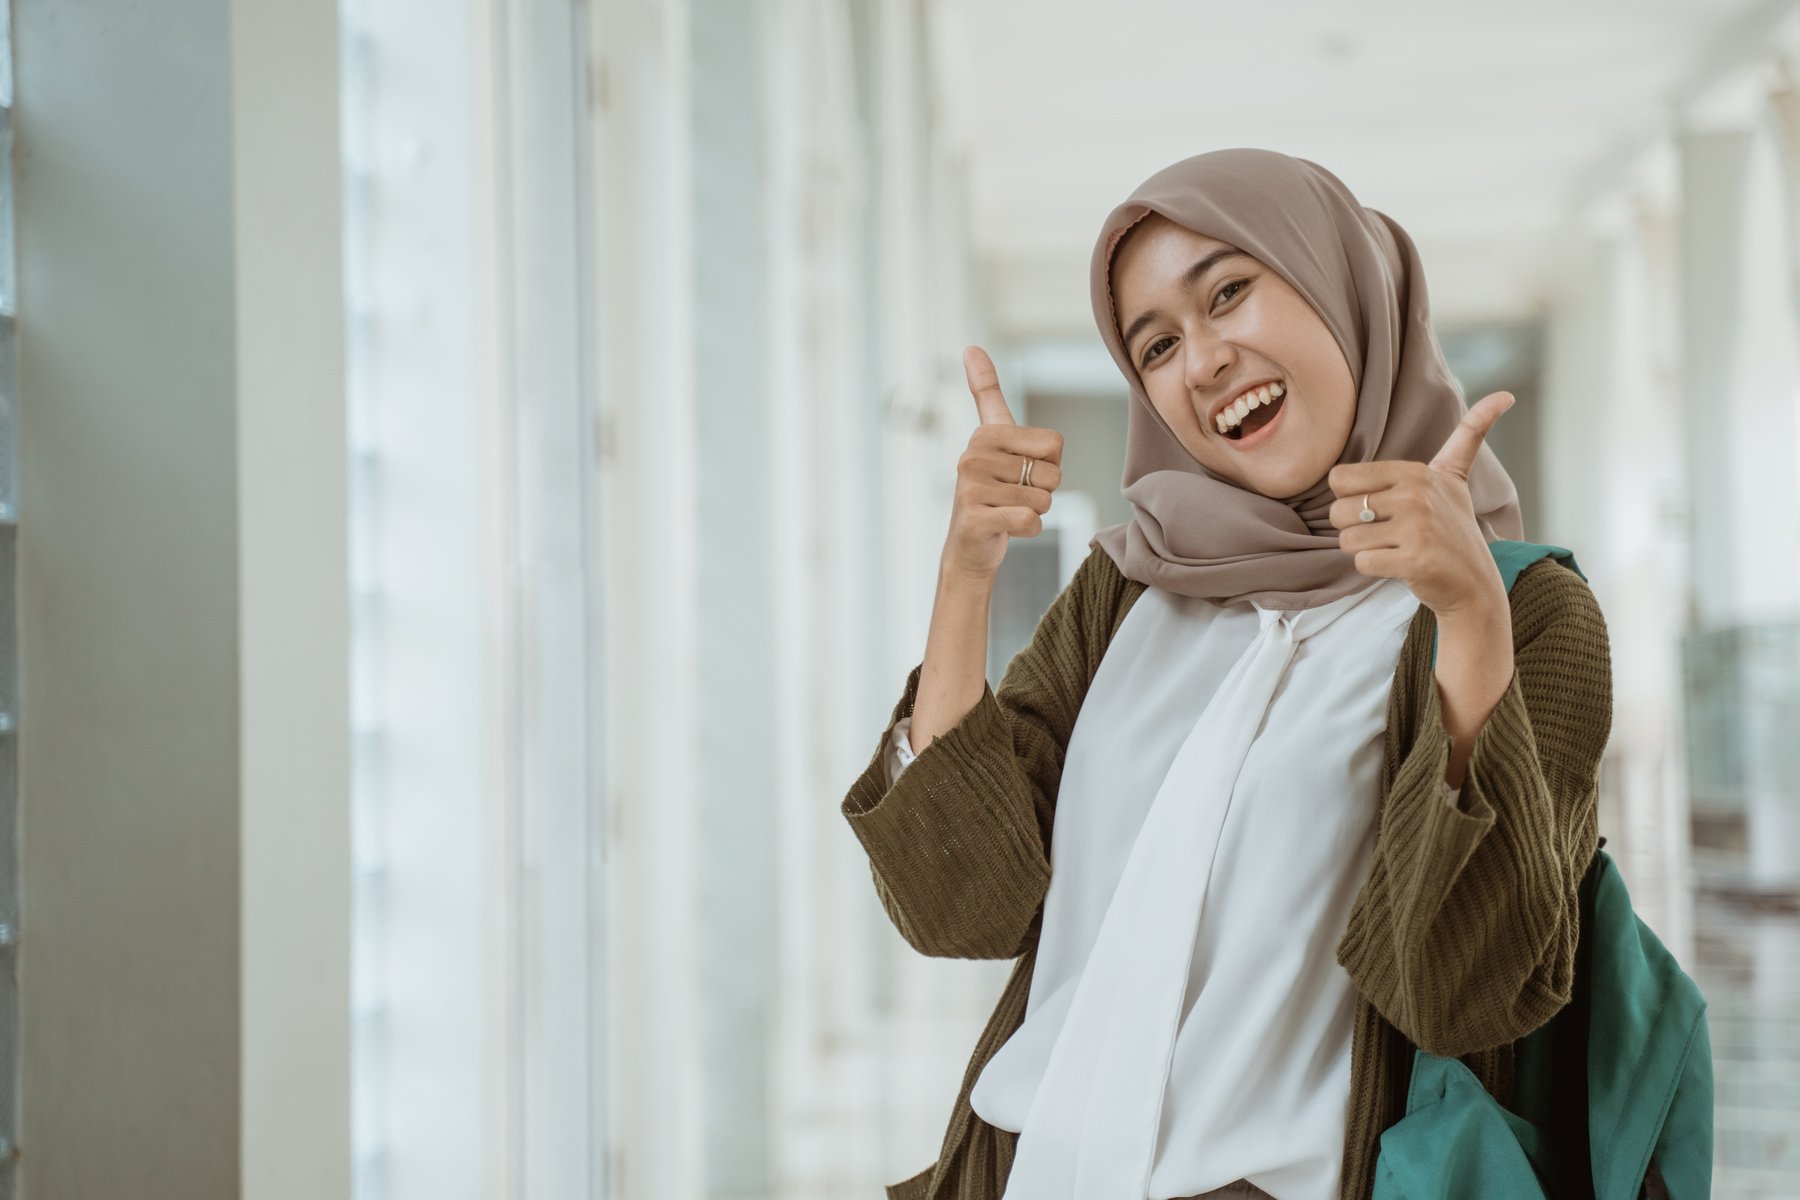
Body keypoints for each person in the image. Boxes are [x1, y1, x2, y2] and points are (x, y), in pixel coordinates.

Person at [839, 147, 1613, 1200]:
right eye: (1156, 344)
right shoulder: (1123, 594)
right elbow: (961, 909)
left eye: (1230, 293)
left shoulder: (1528, 612)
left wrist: (1468, 616)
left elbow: (1459, 993)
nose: (1201, 361)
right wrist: (965, 575)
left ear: (1344, 286)